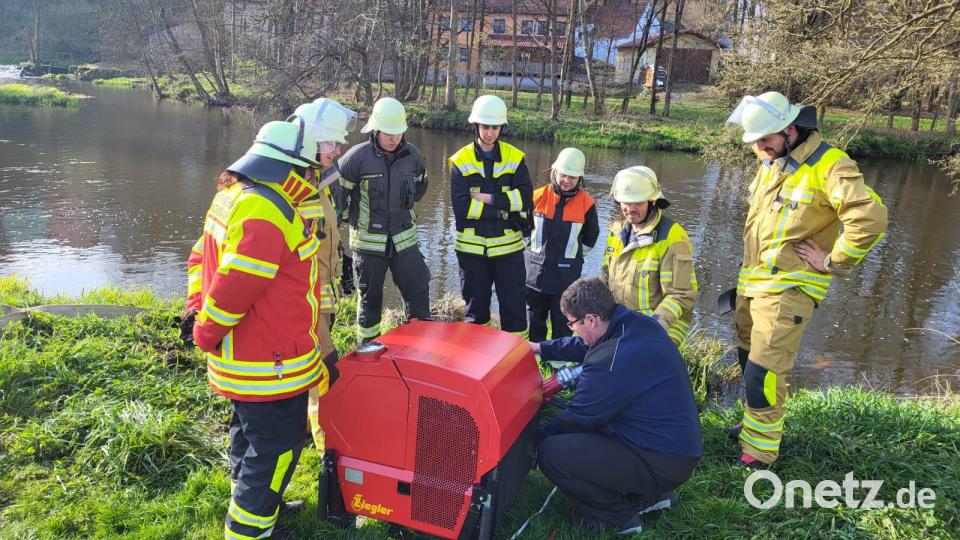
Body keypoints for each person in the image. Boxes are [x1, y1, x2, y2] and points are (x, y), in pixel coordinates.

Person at [725, 91, 888, 468]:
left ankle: (759, 454)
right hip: (754, 286)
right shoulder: (774, 161)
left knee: (765, 371)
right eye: (755, 141)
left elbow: (871, 218)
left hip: (787, 292)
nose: (759, 147)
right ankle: (752, 426)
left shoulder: (830, 164)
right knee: (748, 361)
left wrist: (833, 260)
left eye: (765, 139)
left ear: (790, 129)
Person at [185, 118, 329, 540]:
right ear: (288, 166)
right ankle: (248, 528)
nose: (309, 177)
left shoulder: (230, 196)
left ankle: (256, 504)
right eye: (306, 169)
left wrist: (197, 312)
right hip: (268, 364)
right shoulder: (267, 210)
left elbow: (200, 260)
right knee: (278, 448)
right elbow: (235, 288)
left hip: (245, 358)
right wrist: (205, 329)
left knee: (247, 438)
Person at [531, 277, 702, 534]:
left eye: (572, 324)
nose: (572, 330)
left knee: (552, 453)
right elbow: (584, 344)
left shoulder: (607, 363)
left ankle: (620, 517)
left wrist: (530, 443)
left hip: (660, 460)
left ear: (591, 319)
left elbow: (578, 418)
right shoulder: (635, 324)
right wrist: (540, 349)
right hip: (676, 448)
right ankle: (655, 496)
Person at [288, 97, 357, 453]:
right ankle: (327, 448)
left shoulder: (319, 178)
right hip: (302, 298)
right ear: (312, 142)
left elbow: (324, 232)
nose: (338, 148)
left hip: (320, 293)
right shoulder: (290, 185)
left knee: (318, 368)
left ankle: (303, 431)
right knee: (324, 369)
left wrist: (343, 263)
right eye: (331, 142)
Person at [337, 97, 430, 342]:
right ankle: (367, 352)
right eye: (388, 132)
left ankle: (418, 352)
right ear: (376, 129)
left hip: (405, 242)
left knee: (419, 295)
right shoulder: (355, 159)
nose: (394, 138)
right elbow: (338, 199)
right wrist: (353, 220)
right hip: (368, 247)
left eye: (398, 132)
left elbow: (420, 187)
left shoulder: (413, 156)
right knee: (370, 304)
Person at [450, 94, 533, 338]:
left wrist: (486, 199)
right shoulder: (460, 160)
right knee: (476, 314)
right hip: (472, 251)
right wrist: (505, 210)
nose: (489, 132)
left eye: (495, 127)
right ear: (476, 126)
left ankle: (516, 364)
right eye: (485, 127)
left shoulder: (515, 157)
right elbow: (462, 209)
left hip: (509, 251)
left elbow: (526, 200)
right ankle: (477, 366)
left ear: (501, 128)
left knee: (515, 313)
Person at [603, 166, 698, 346]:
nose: (630, 209)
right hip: (622, 327)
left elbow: (681, 294)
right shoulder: (616, 232)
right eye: (625, 202)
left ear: (652, 201)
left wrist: (654, 327)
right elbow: (607, 278)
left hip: (658, 331)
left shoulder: (672, 236)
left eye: (637, 203)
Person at [525, 147, 599, 342]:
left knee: (563, 322)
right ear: (554, 172)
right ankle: (536, 358)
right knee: (535, 319)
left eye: (573, 177)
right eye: (564, 175)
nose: (567, 181)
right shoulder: (536, 197)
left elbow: (590, 240)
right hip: (534, 275)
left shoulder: (587, 204)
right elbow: (523, 231)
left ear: (579, 179)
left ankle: (559, 363)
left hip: (566, 279)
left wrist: (571, 258)